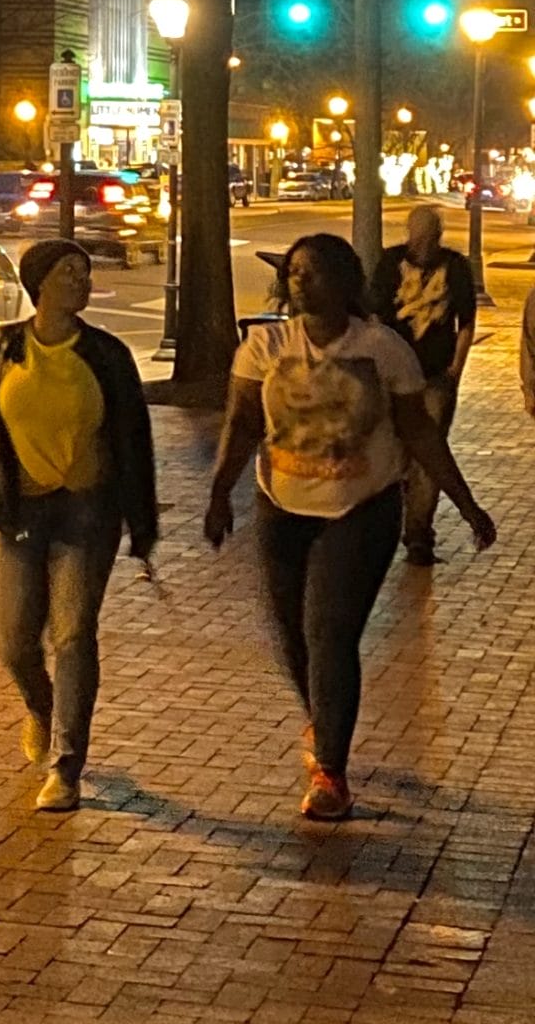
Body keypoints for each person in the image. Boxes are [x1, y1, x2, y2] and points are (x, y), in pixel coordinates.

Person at [204, 231, 495, 823]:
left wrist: (466, 504)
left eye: (312, 272)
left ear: (344, 282)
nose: (299, 281)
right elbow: (241, 424)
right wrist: (218, 495)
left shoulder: (382, 349)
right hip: (281, 507)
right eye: (293, 272)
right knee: (292, 634)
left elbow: (418, 432)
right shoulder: (264, 346)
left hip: (360, 510)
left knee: (329, 633)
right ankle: (324, 717)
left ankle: (331, 773)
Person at [0, 238, 158, 815]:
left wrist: (142, 523)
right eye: (69, 272)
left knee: (72, 635)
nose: (80, 282)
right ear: (38, 282)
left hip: (87, 513)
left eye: (84, 273)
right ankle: (40, 707)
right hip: (18, 512)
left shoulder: (107, 355)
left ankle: (66, 766)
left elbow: (135, 441)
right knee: (15, 641)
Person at [368, 204, 479, 564]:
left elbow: (466, 321)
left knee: (430, 454)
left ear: (439, 235)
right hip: (394, 374)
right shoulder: (391, 263)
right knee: (393, 448)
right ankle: (388, 524)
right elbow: (375, 314)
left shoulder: (455, 267)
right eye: (418, 235)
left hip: (434, 375)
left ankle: (418, 534)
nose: (423, 243)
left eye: (430, 236)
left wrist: (455, 369)